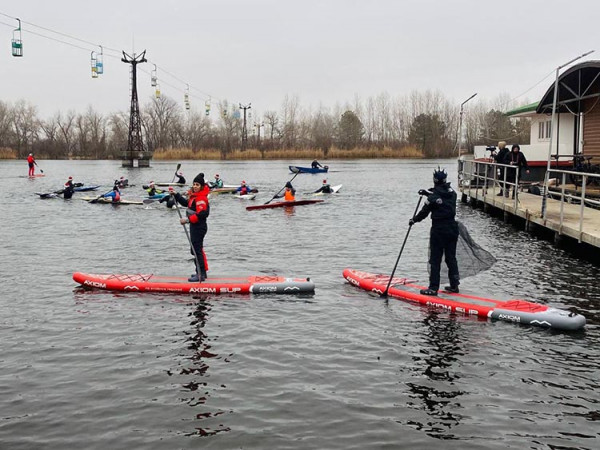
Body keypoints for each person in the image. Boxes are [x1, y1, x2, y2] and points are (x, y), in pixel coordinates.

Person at [409, 168, 460, 296]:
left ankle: (433, 288)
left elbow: (424, 213)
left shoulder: (432, 198)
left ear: (434, 180)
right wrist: (428, 193)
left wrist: (413, 220)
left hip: (439, 230)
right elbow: (441, 199)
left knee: (435, 259)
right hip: (453, 228)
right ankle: (454, 285)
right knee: (451, 257)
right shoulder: (453, 193)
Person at [172, 173, 210, 282]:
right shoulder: (194, 197)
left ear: (202, 186)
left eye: (197, 184)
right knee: (194, 250)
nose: (195, 186)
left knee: (196, 250)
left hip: (199, 227)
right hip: (194, 226)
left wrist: (187, 220)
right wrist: (176, 194)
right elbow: (186, 203)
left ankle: (201, 275)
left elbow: (203, 214)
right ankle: (201, 272)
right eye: (194, 184)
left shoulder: (201, 198)